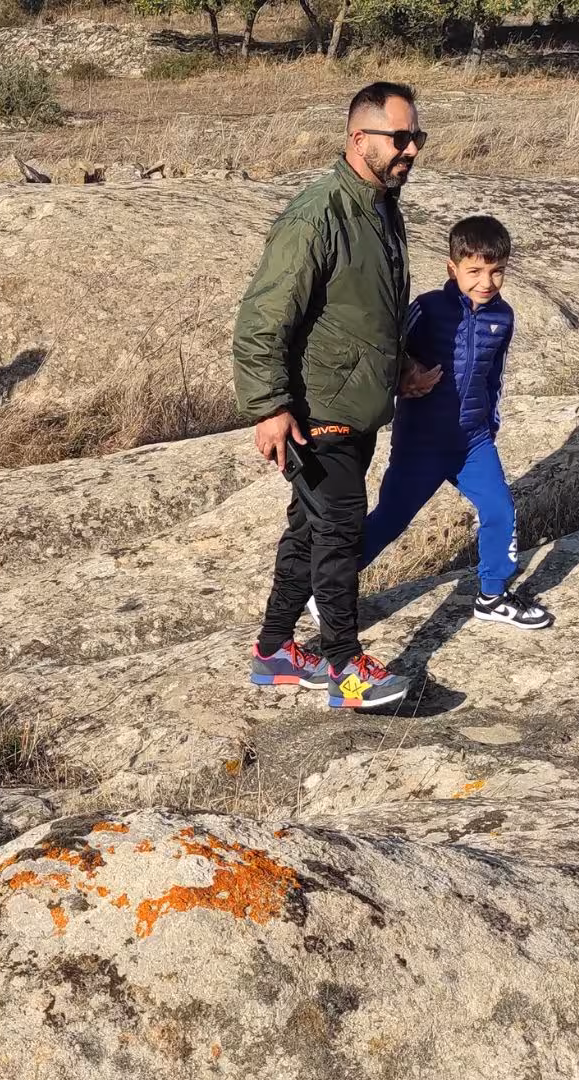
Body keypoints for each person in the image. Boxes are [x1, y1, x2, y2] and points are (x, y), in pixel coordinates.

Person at [232, 81, 436, 709]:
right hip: (318, 410)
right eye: (399, 138)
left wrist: (398, 366)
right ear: (358, 139)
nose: (409, 151)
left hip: (357, 402)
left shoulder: (381, 205)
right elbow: (262, 319)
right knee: (341, 528)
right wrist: (269, 406)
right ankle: (345, 669)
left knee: (309, 528)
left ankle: (273, 650)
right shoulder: (316, 215)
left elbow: (368, 310)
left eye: (416, 138)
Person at [358, 216, 553, 630]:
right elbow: (387, 352)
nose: (487, 281)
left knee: (500, 508)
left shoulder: (504, 317)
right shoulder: (426, 308)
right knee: (390, 519)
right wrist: (406, 374)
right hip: (421, 442)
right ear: (453, 268)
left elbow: (494, 374)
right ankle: (329, 588)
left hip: (472, 440)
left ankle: (493, 595)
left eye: (496, 270)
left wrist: (491, 421)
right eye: (475, 271)